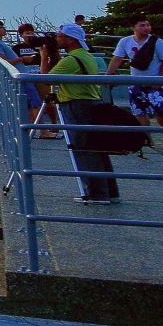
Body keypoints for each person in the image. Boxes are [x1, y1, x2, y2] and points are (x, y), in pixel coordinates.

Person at [52, 25, 122, 202]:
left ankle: (97, 194)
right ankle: (110, 193)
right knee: (97, 148)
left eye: (59, 36)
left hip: (76, 105)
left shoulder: (71, 60)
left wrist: (45, 56)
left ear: (71, 39)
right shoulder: (87, 56)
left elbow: (45, 79)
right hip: (90, 103)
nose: (57, 39)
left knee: (84, 149)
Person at [112, 17, 163, 148]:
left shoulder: (157, 42)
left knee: (160, 109)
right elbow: (117, 58)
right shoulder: (125, 41)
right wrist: (108, 75)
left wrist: (159, 79)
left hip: (155, 81)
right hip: (135, 81)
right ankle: (147, 138)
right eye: (142, 25)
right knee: (139, 111)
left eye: (148, 25)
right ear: (134, 27)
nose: (146, 28)